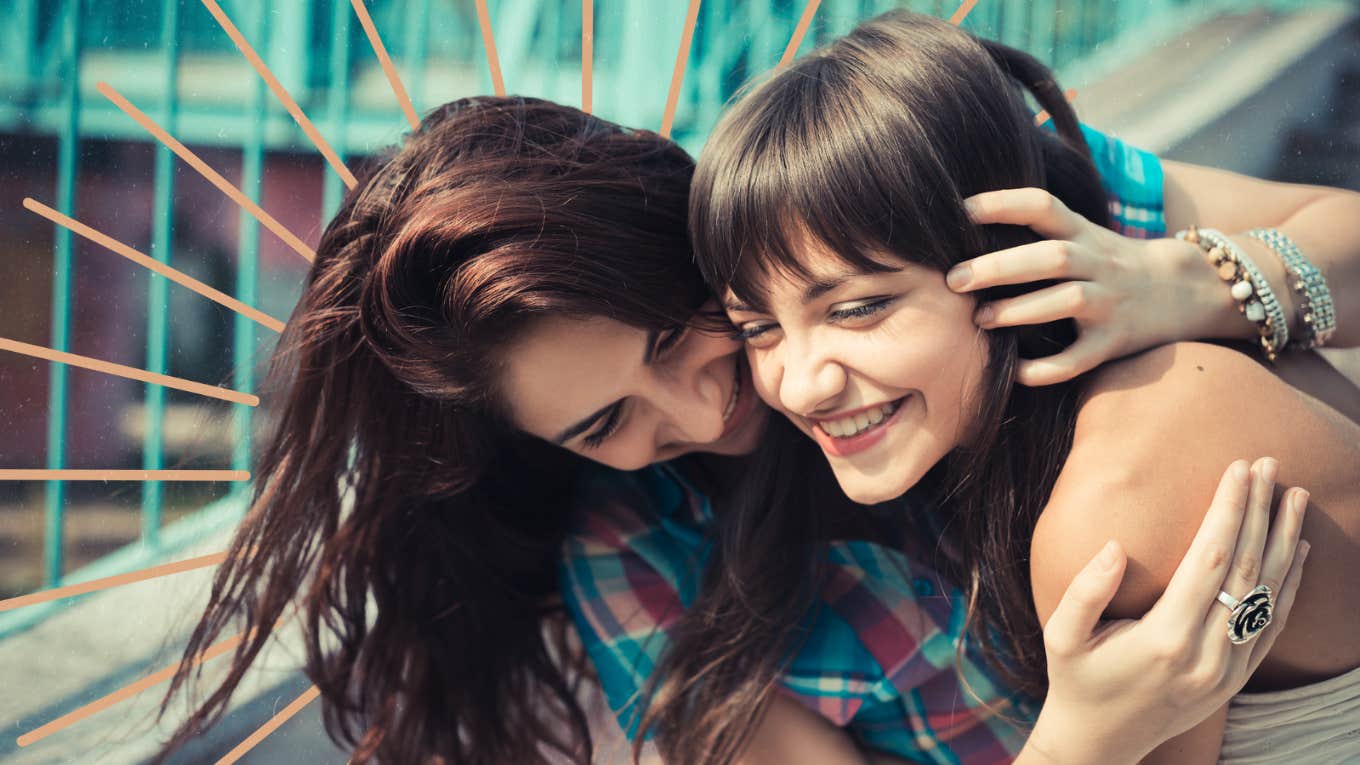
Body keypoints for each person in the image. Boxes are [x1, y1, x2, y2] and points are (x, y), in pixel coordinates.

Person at [138, 88, 1347, 765]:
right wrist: (1087, 735)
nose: (703, 411)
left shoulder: (864, 205)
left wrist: (1201, 281)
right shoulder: (637, 571)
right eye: (603, 420)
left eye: (676, 336)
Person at [674, 9, 1360, 764]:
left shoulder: (1119, 501)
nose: (801, 386)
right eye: (757, 329)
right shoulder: (1077, 438)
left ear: (1012, 253)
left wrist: (1079, 740)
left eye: (859, 308)